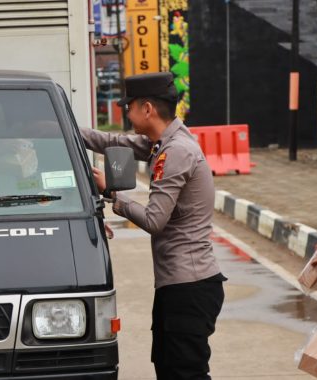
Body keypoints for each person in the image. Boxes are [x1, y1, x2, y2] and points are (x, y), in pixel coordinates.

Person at [80, 72, 226, 379]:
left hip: (189, 287)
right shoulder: (166, 142)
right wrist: (64, 129)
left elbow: (154, 220)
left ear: (147, 109)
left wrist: (112, 193)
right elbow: (112, 141)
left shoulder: (176, 152)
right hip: (179, 286)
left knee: (186, 373)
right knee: (168, 367)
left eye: (128, 106)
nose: (125, 112)